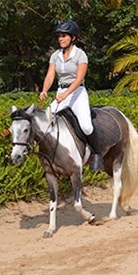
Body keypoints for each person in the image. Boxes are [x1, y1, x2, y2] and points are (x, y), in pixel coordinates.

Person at [38, 20, 104, 171]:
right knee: (46, 123)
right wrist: (44, 90)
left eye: (64, 36)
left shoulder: (80, 55)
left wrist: (66, 94)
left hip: (77, 93)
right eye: (59, 36)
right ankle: (52, 156)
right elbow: (50, 76)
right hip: (61, 93)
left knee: (87, 127)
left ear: (73, 38)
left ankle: (96, 154)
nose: (60, 39)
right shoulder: (55, 56)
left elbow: (79, 78)